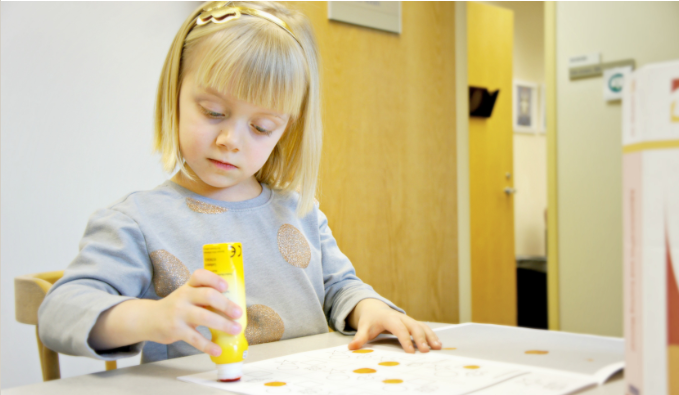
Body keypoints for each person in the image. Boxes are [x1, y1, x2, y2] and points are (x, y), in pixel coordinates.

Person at [39, 1, 441, 364]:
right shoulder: (138, 220)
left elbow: (339, 286)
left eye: (261, 127)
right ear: (175, 92)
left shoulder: (300, 211)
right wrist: (151, 317)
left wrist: (369, 307)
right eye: (213, 112)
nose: (230, 140)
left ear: (286, 130)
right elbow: (59, 311)